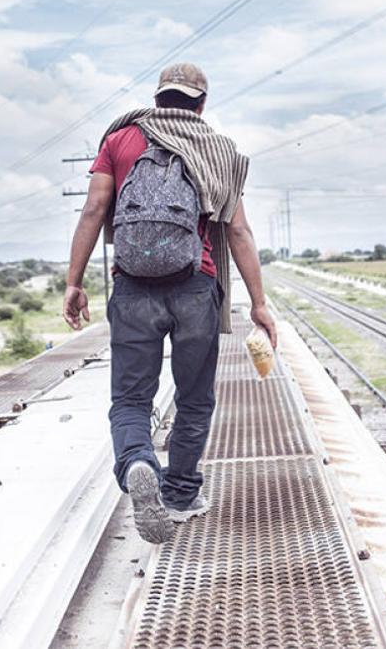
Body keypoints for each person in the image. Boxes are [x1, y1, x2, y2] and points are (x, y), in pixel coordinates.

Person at [62, 62, 276, 544]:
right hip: (195, 286)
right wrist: (259, 303)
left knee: (132, 399)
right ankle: (179, 494)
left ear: (157, 99)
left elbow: (95, 209)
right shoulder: (219, 150)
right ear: (202, 103)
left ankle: (139, 461)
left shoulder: (119, 140)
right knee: (194, 397)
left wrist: (74, 283)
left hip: (133, 286)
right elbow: (237, 230)